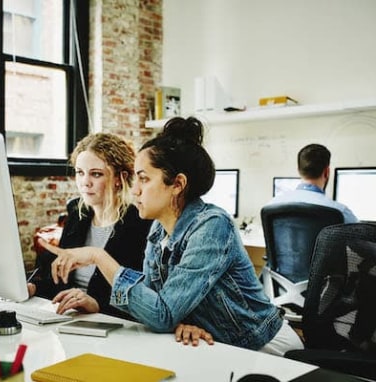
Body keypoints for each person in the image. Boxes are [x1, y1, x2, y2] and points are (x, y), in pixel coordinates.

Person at [39, 116, 304, 355]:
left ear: (177, 184)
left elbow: (160, 314)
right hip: (216, 345)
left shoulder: (212, 225)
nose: (135, 191)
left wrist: (98, 256)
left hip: (264, 348)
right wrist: (181, 321)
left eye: (144, 179)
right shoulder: (158, 229)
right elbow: (152, 305)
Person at [28, 132, 152, 320]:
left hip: (114, 326)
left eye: (96, 174)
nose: (85, 182)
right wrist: (33, 287)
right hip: (69, 320)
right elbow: (59, 283)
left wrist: (96, 305)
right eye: (80, 172)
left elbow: (138, 295)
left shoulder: (140, 225)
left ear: (120, 177)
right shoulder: (78, 215)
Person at [268, 143, 358, 223]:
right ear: (327, 172)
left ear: (298, 171)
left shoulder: (271, 206)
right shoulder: (340, 212)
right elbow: (362, 237)